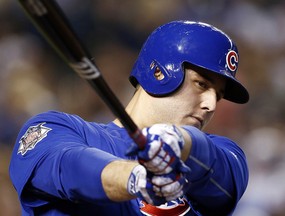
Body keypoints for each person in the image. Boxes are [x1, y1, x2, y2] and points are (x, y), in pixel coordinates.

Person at [9, 20, 250, 216]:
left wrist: (178, 142)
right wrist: (136, 177)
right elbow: (66, 166)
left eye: (218, 96)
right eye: (201, 84)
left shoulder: (227, 154)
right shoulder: (58, 128)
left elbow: (218, 172)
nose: (210, 105)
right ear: (159, 72)